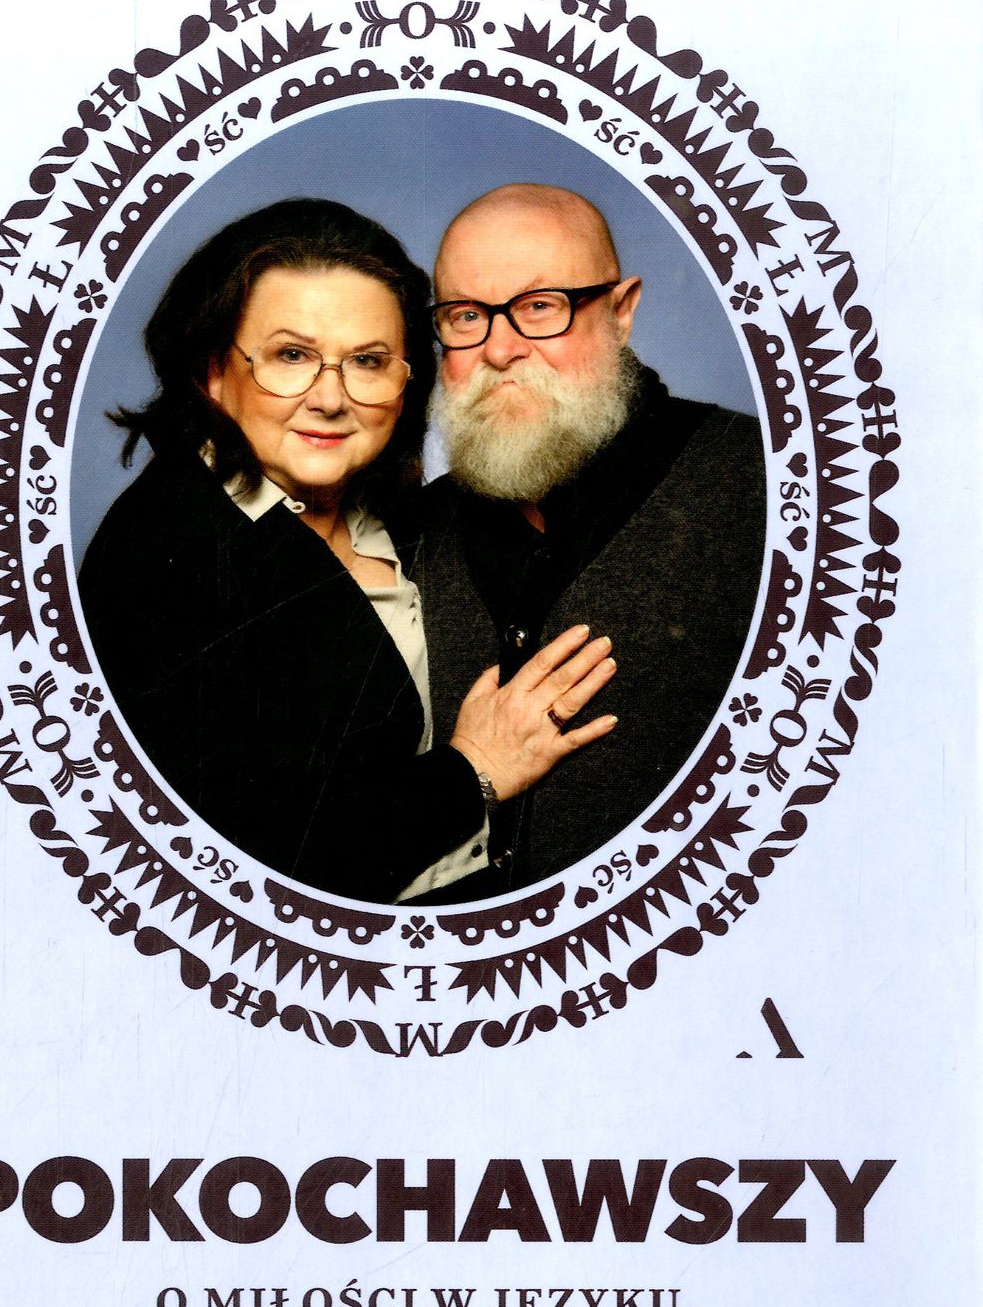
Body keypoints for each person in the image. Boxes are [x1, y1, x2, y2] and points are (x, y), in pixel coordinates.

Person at [78, 199, 617, 904]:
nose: (330, 399)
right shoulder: (161, 554)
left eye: (367, 361)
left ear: (407, 380)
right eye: (291, 356)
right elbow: (233, 871)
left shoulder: (391, 514)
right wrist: (475, 768)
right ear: (213, 372)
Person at [416, 182, 766, 896]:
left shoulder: (768, 486)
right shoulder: (410, 529)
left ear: (621, 311)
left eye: (541, 307)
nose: (500, 349)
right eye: (466, 316)